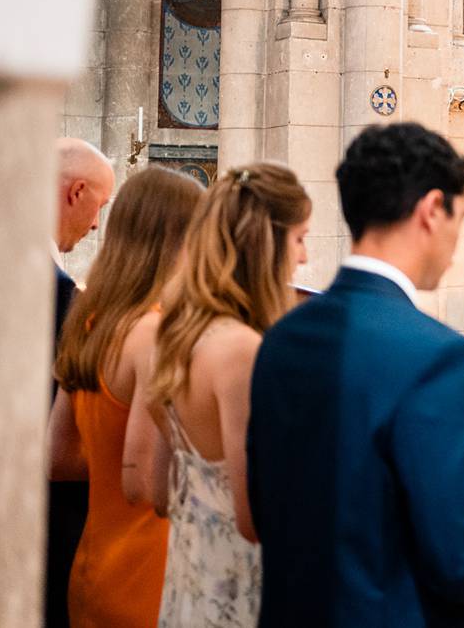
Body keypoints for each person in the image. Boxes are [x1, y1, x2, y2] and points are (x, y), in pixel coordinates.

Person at [247, 123, 464, 627]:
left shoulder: (282, 339)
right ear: (432, 209)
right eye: (460, 215)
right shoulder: (439, 357)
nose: (456, 239)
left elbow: (269, 510)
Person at [149, 164, 311, 628]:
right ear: (266, 243)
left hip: (190, 578)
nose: (303, 257)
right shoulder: (241, 351)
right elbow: (255, 515)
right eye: (299, 238)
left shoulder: (176, 335)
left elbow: (161, 494)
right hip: (239, 589)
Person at [48, 166, 203, 628]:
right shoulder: (154, 333)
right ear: (177, 239)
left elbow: (57, 458)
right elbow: (142, 483)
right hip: (146, 576)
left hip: (93, 567)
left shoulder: (89, 320)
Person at [49, 139, 116, 628]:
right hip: (45, 527)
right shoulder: (63, 299)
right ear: (76, 192)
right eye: (99, 206)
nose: (96, 225)